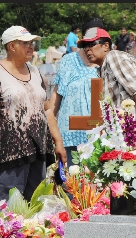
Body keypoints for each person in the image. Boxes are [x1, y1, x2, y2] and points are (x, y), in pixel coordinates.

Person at [0, 25, 66, 202]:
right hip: (10, 151)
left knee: (36, 204)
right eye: (25, 43)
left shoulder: (35, 71)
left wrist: (58, 141)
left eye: (32, 43)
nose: (31, 46)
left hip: (38, 149)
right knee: (7, 206)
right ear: (11, 46)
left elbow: (46, 108)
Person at [78, 27, 136, 148]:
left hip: (133, 130)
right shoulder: (101, 68)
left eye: (91, 44)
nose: (87, 49)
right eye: (84, 46)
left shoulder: (113, 57)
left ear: (106, 46)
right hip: (123, 133)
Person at [48, 17, 104, 167]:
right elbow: (57, 93)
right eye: (88, 40)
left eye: (96, 40)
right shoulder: (69, 61)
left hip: (100, 137)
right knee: (70, 183)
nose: (91, 45)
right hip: (69, 133)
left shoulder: (108, 62)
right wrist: (49, 122)